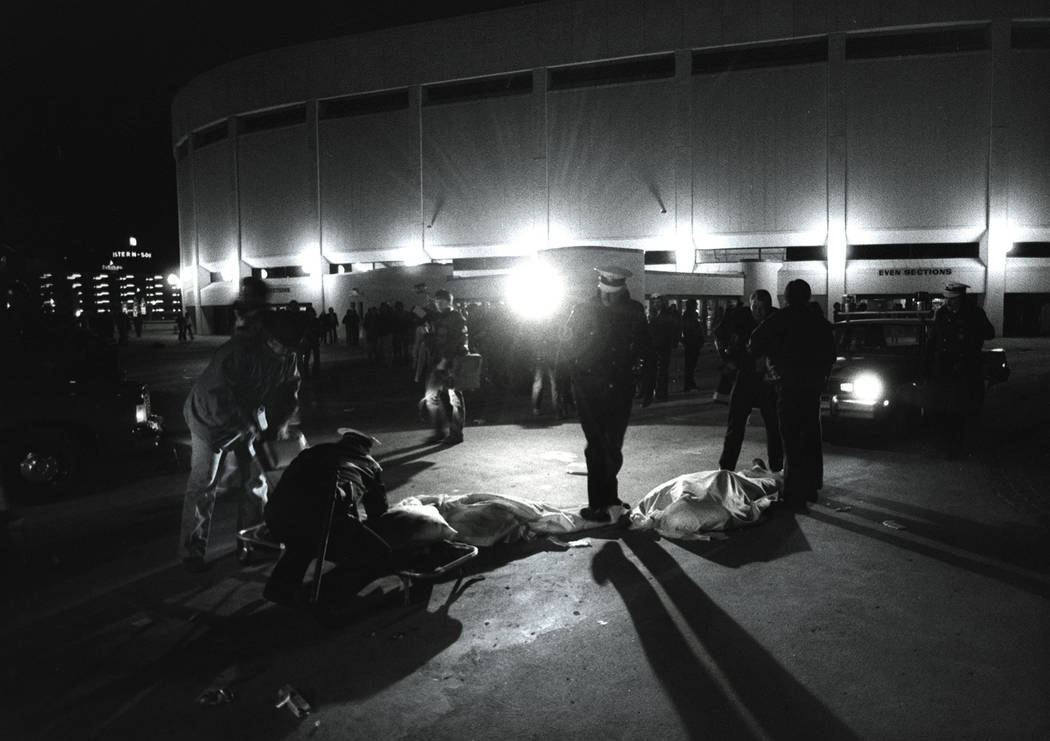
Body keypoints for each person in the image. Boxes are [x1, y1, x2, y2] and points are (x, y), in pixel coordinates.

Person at [179, 309, 302, 572]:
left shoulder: (287, 355)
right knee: (204, 484)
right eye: (279, 345)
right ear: (268, 338)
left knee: (256, 482)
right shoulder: (236, 353)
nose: (284, 353)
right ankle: (191, 552)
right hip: (209, 421)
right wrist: (245, 425)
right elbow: (216, 396)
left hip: (249, 422)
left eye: (289, 348)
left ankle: (250, 542)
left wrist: (278, 425)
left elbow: (289, 391)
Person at [559, 266, 654, 523]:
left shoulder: (633, 311)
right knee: (596, 445)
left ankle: (609, 498)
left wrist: (648, 381)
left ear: (622, 289)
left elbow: (646, 346)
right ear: (600, 286)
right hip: (588, 388)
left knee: (613, 445)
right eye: (606, 293)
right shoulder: (583, 310)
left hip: (620, 386)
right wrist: (573, 380)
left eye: (615, 294)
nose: (609, 299)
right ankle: (598, 504)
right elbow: (567, 346)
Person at [262, 428, 389, 606]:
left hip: (277, 517)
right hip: (321, 523)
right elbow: (378, 511)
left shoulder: (313, 452)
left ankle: (280, 589)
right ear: (365, 449)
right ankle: (328, 596)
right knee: (379, 556)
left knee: (302, 541)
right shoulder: (370, 465)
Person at [749, 279, 836, 509]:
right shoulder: (820, 323)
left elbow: (754, 343)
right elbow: (830, 354)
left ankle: (793, 491)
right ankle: (811, 487)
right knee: (810, 436)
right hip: (811, 388)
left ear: (786, 298)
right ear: (808, 297)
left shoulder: (779, 320)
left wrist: (773, 360)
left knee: (791, 439)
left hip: (787, 387)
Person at [714, 289, 782, 473]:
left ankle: (777, 468)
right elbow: (719, 336)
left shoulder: (776, 318)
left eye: (763, 308)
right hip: (745, 375)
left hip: (767, 380)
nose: (759, 312)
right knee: (735, 425)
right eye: (755, 307)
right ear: (750, 305)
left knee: (774, 426)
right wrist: (727, 359)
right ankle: (726, 468)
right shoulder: (738, 316)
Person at [924, 282, 995, 457]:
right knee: (943, 411)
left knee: (965, 411)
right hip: (944, 370)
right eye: (947, 299)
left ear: (962, 298)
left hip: (966, 369)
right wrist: (928, 363)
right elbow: (933, 340)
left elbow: (989, 333)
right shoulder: (942, 314)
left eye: (952, 300)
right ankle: (945, 446)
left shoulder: (975, 313)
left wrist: (971, 332)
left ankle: (963, 448)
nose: (948, 303)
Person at [424, 289, 469, 444]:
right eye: (437, 301)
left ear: (448, 301)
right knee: (432, 397)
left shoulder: (456, 317)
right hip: (438, 362)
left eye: (441, 301)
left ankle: (456, 433)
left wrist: (446, 359)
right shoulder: (438, 317)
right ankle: (440, 431)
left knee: (455, 398)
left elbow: (460, 341)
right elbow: (436, 340)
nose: (438, 303)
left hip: (450, 363)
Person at [649, 296, 680, 402]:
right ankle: (659, 391)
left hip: (663, 346)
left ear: (662, 303)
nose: (656, 304)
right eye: (654, 302)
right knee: (659, 369)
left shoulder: (666, 315)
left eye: (658, 302)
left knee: (662, 370)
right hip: (656, 345)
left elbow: (671, 330)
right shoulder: (655, 314)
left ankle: (661, 393)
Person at [681, 298, 705, 392]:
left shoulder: (689, 316)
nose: (697, 306)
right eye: (695, 304)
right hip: (692, 343)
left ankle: (689, 384)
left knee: (690, 365)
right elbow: (692, 330)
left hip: (692, 343)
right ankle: (689, 384)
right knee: (690, 365)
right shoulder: (689, 316)